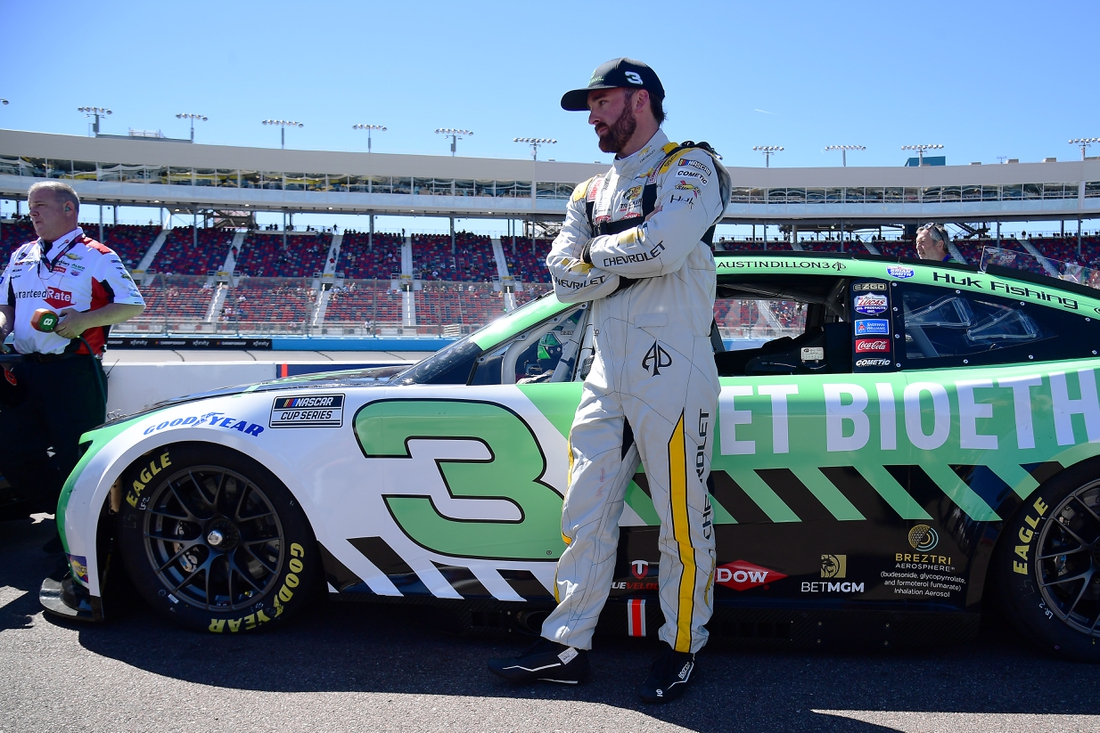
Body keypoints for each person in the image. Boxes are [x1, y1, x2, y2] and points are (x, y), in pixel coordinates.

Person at [488, 58, 730, 703]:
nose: (592, 116)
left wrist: (599, 257)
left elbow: (668, 247)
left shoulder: (690, 166)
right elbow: (560, 275)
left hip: (673, 368)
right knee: (584, 512)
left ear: (640, 100)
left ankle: (682, 644)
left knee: (682, 519)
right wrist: (621, 257)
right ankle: (567, 643)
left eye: (601, 101)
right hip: (607, 371)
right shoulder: (588, 190)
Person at [0, 181, 145, 523]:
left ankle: (75, 536)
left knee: (76, 458)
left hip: (74, 371)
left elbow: (132, 303)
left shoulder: (97, 254)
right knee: (11, 450)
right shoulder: (22, 253)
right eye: (30, 205)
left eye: (41, 205)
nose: (31, 211)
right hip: (23, 370)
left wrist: (83, 321)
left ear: (69, 209)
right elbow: (6, 304)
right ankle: (61, 519)